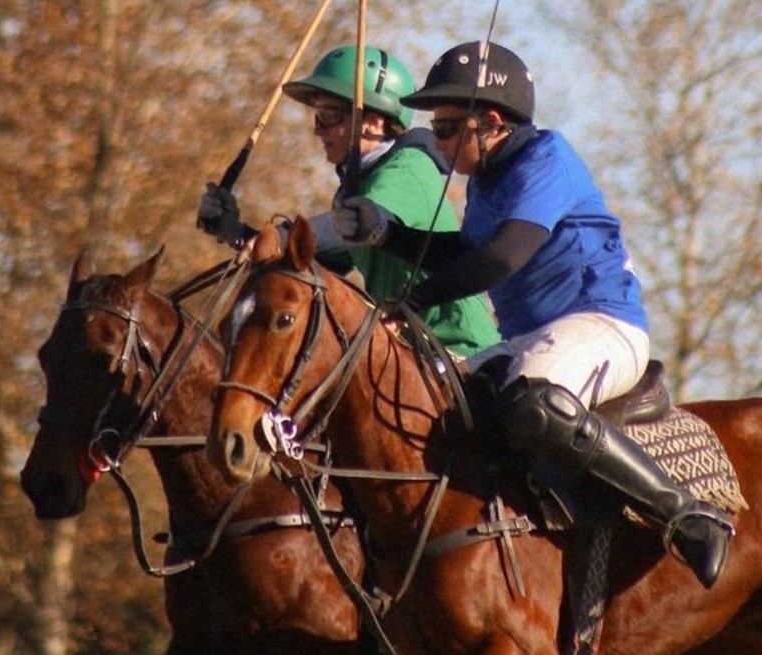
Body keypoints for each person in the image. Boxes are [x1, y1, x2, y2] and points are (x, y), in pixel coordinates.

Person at [328, 40, 733, 588]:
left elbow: (501, 257)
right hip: (530, 337)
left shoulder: (547, 158)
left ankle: (685, 514)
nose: (436, 142)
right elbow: (462, 253)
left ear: (490, 122)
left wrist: (413, 303)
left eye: (446, 128)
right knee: (438, 405)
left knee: (535, 403)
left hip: (602, 324)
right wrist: (384, 231)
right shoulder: (485, 180)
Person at [196, 45, 500, 358]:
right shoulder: (355, 187)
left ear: (373, 122)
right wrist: (237, 233)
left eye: (328, 116)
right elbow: (311, 262)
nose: (317, 130)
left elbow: (347, 226)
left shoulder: (409, 167)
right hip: (403, 351)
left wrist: (281, 236)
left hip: (459, 351)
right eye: (317, 117)